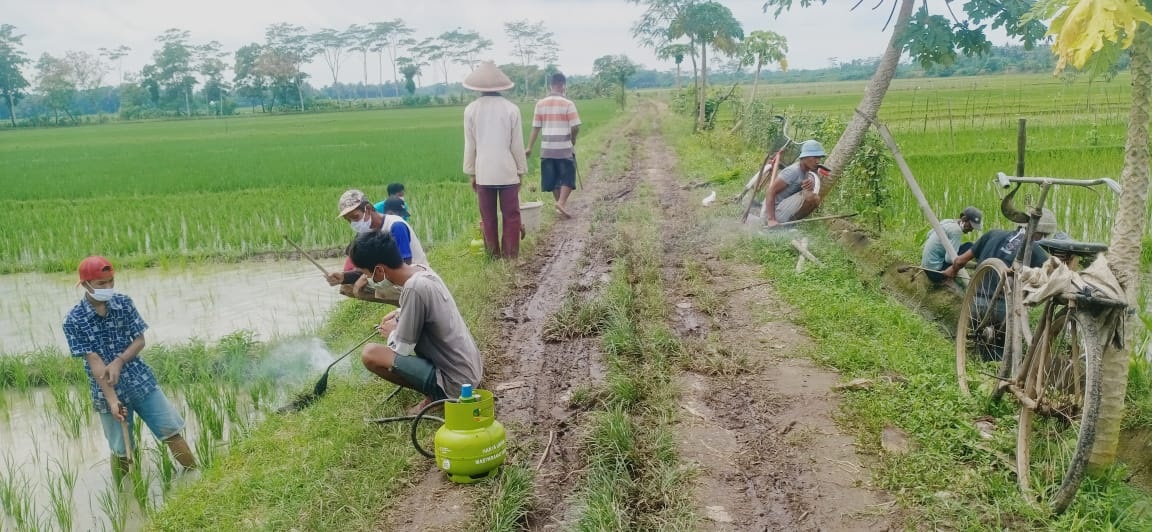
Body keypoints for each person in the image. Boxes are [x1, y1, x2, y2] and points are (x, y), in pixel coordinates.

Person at [62, 256, 197, 481]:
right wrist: (113, 400)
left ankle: (198, 477)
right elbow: (94, 362)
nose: (108, 288)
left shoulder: (123, 303)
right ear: (85, 285)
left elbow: (139, 340)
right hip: (105, 391)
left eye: (111, 281)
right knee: (121, 451)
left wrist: (119, 360)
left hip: (140, 381)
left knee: (171, 432)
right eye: (101, 284)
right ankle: (124, 501)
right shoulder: (74, 320)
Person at [351, 231, 484, 413]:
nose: (368, 280)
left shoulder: (414, 288)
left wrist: (391, 332)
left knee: (370, 354)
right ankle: (437, 391)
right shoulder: (421, 270)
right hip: (469, 368)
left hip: (458, 383)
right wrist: (400, 312)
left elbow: (402, 349)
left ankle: (439, 396)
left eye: (366, 274)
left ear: (380, 270)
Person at [943, 209, 1057, 360]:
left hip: (975, 304)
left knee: (982, 338)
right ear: (1040, 233)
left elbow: (959, 261)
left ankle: (977, 365)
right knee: (999, 349)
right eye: (1044, 235)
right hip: (1004, 309)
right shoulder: (1035, 251)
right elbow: (1052, 277)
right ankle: (993, 373)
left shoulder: (992, 234)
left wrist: (952, 271)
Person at [463, 61, 527, 259]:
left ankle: (492, 255)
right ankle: (510, 256)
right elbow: (516, 144)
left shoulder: (471, 110)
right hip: (507, 171)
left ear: (478, 89)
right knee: (511, 215)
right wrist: (521, 170)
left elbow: (470, 144)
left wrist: (471, 172)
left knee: (488, 218)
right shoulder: (511, 109)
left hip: (483, 172)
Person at [329, 189, 429, 305]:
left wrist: (367, 279)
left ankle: (412, 303)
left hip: (415, 279)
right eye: (348, 220)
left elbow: (403, 265)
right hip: (392, 276)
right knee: (346, 285)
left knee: (367, 282)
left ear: (369, 209)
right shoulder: (366, 230)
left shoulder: (396, 226)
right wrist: (343, 276)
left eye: (355, 217)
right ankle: (403, 306)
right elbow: (366, 268)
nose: (353, 223)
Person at [526, 72, 581, 219]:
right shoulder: (568, 104)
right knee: (568, 177)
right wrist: (573, 138)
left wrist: (529, 147)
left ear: (551, 85)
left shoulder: (540, 104)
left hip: (547, 149)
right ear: (563, 86)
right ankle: (561, 203)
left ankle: (559, 204)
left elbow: (535, 127)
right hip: (563, 148)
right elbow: (575, 126)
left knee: (554, 178)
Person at [764, 140, 827, 228]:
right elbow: (770, 191)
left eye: (819, 158)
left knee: (815, 199)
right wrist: (771, 219)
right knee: (812, 198)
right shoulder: (793, 171)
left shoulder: (806, 172)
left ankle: (788, 226)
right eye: (815, 157)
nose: (817, 161)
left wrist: (811, 185)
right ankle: (777, 224)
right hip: (772, 212)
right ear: (805, 156)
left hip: (782, 210)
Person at [920, 206, 983, 284]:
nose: (971, 230)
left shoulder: (948, 221)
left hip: (927, 268)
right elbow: (950, 259)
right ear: (964, 219)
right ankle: (980, 268)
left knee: (965, 248)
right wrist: (972, 265)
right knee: (970, 246)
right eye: (970, 226)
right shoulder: (956, 231)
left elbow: (928, 234)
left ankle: (978, 266)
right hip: (937, 273)